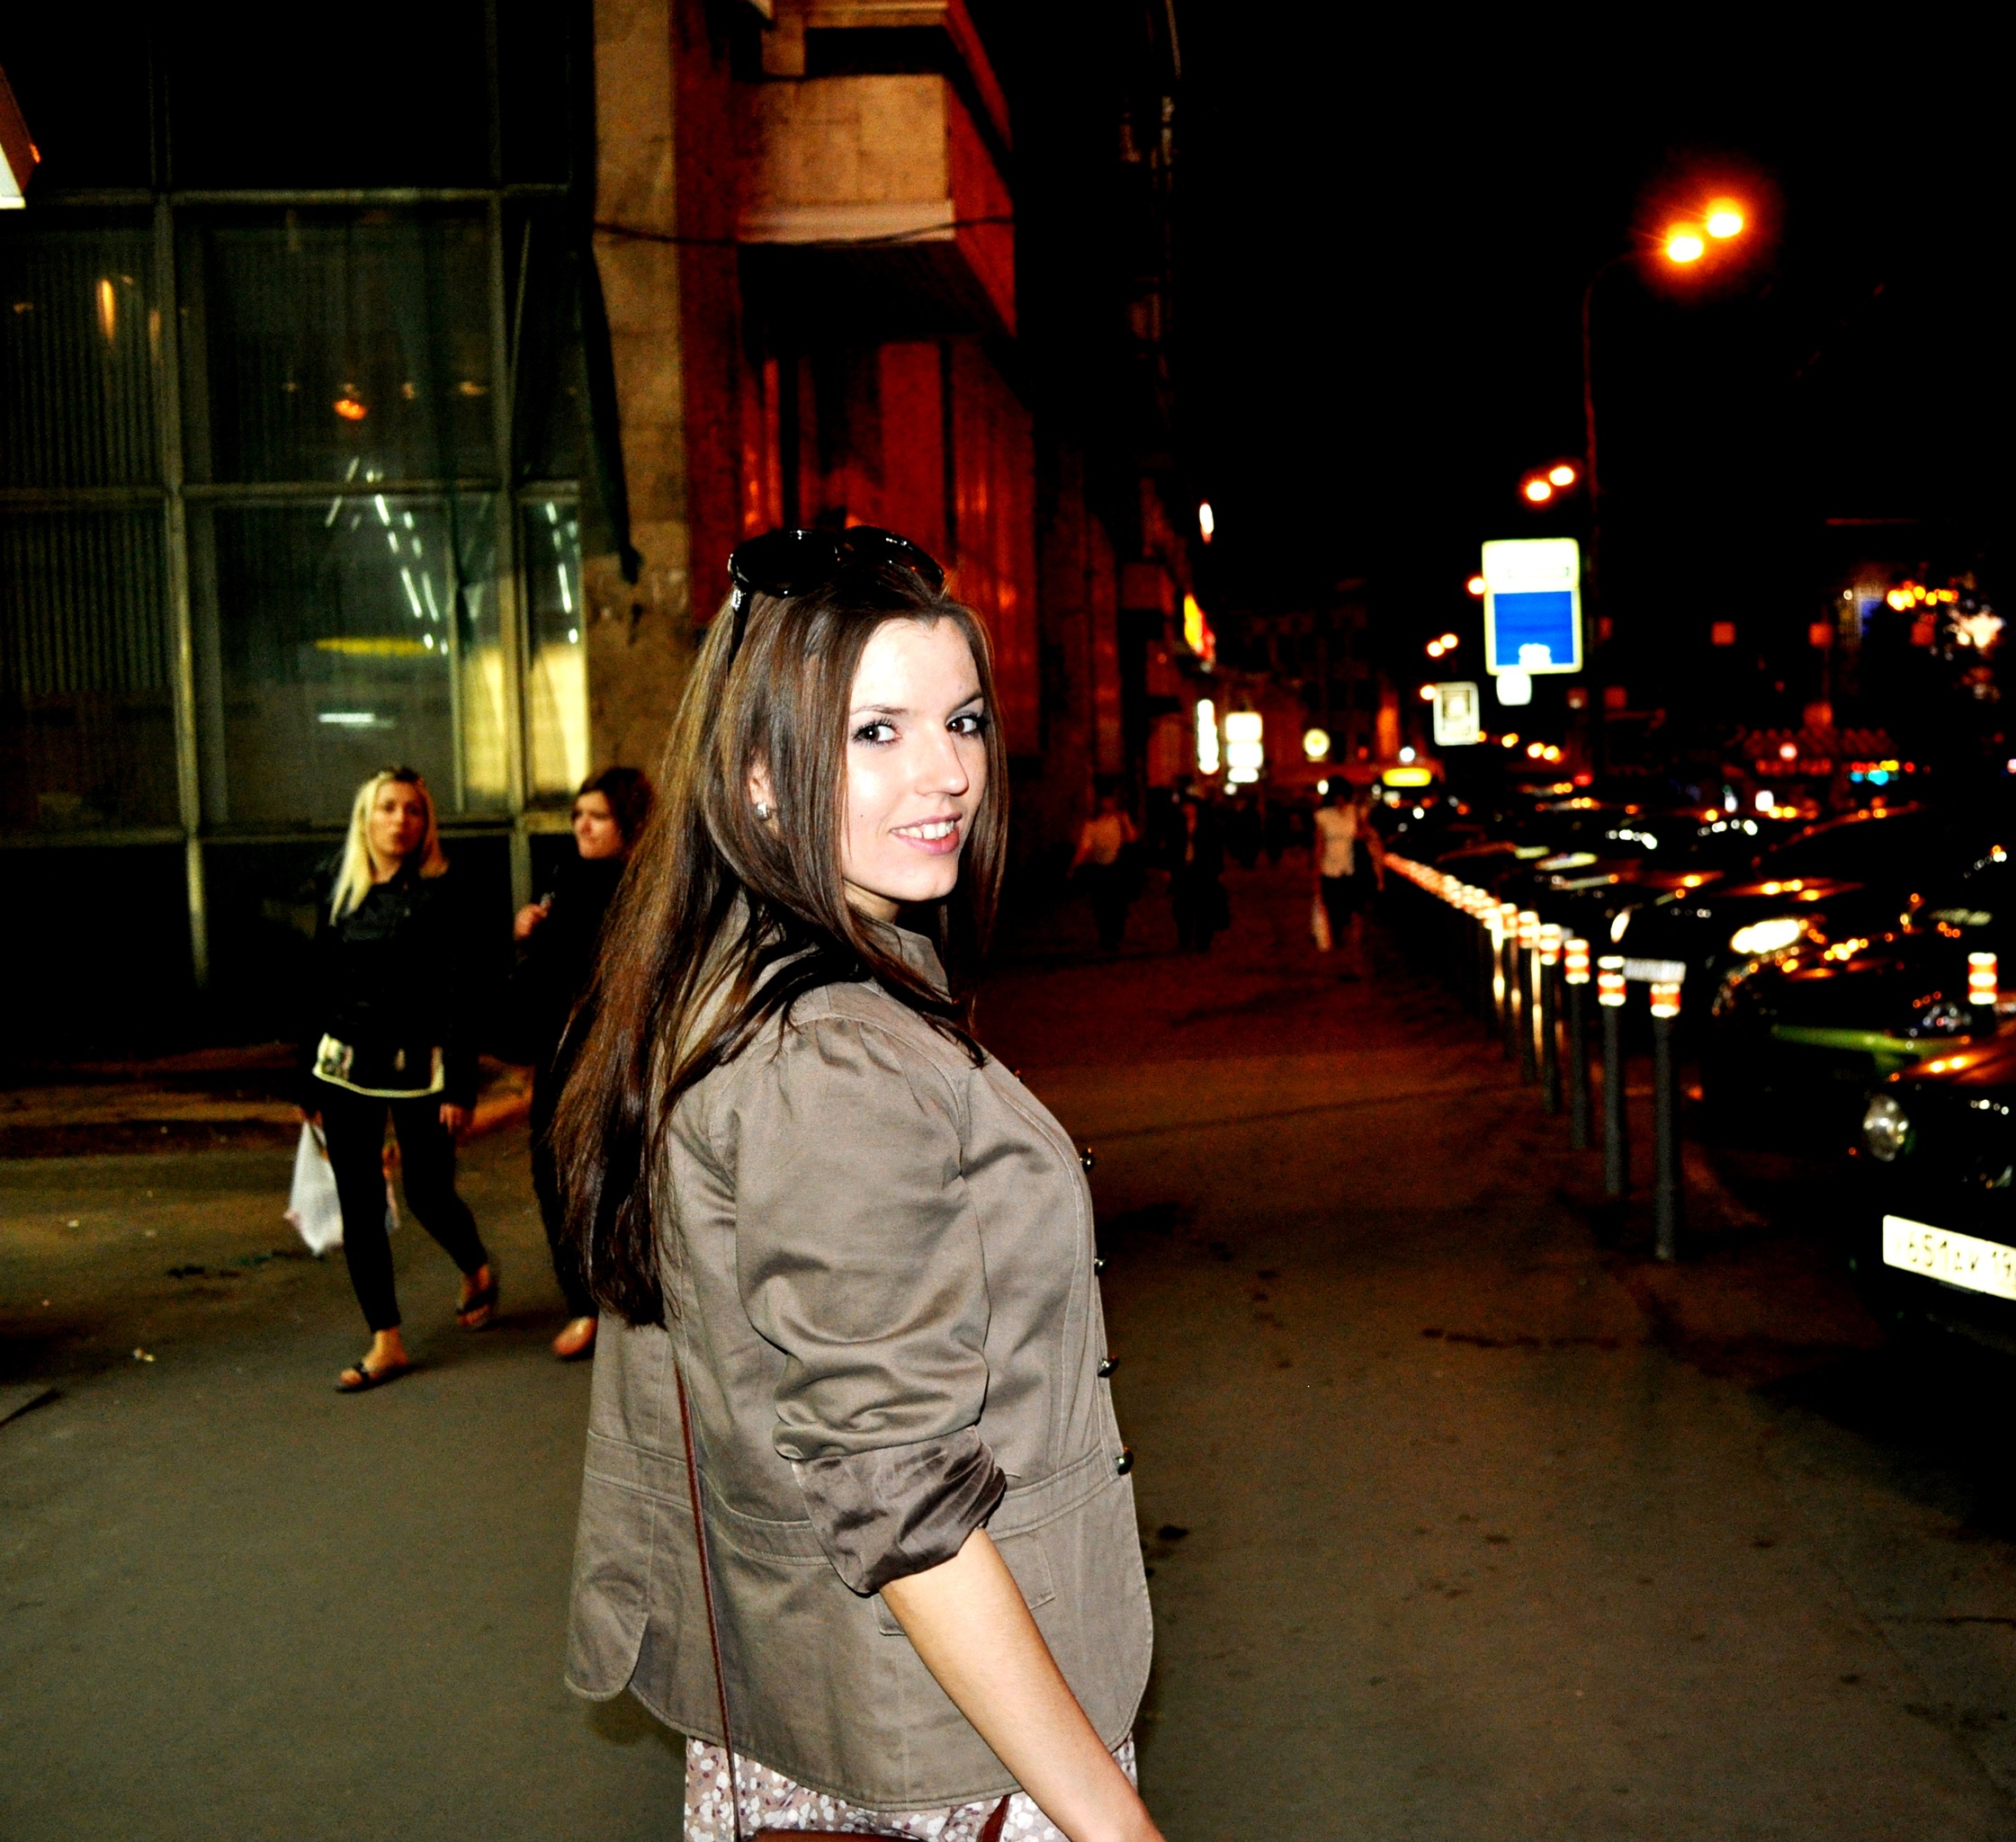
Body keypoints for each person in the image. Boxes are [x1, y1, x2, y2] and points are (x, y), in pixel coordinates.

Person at [553, 526, 1161, 1842]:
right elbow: (906, 1503)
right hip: (950, 1748)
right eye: (874, 732)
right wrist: (1115, 1827)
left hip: (828, 1705)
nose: (947, 774)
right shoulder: (828, 1056)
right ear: (760, 776)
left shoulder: (730, 974)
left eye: (962, 720)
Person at [301, 766, 494, 1392]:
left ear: (425, 823)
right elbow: (317, 981)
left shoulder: (446, 888)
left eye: (413, 810)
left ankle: (475, 1266)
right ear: (367, 816)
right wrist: (306, 1081)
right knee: (359, 1205)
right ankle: (386, 1340)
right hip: (344, 1064)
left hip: (421, 1066)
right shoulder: (338, 881)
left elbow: (461, 992)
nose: (400, 820)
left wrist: (460, 1085)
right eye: (388, 808)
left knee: (428, 1194)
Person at [511, 766, 656, 1362]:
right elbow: (548, 968)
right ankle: (581, 1300)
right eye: (577, 815)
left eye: (597, 816)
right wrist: (528, 930)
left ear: (629, 822)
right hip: (560, 1048)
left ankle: (625, 1294)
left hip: (617, 1053)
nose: (582, 827)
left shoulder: (644, 889)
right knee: (552, 1170)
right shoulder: (564, 877)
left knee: (619, 1174)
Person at [1313, 782, 1375, 978]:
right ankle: (1341, 958)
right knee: (1337, 917)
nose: (1339, 799)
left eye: (1342, 795)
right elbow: (1319, 846)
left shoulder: (1356, 812)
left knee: (1356, 915)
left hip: (1353, 871)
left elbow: (1367, 836)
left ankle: (1354, 958)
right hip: (1330, 872)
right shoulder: (1323, 816)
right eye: (1336, 795)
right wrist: (1316, 875)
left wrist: (1363, 832)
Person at [1069, 782, 1140, 952]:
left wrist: (1125, 823)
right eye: (1104, 801)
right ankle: (1105, 935)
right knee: (1100, 904)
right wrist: (1074, 865)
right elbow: (1085, 846)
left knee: (1118, 904)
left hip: (1117, 867)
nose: (1107, 804)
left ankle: (1115, 933)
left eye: (1110, 801)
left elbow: (1132, 838)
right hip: (1100, 868)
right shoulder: (1092, 824)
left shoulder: (1119, 819)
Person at [1166, 789, 1227, 952]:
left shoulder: (1209, 826)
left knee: (1204, 907)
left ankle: (1203, 940)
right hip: (1183, 871)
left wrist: (1218, 870)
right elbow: (1171, 850)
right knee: (1182, 907)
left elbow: (1216, 849)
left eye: (1191, 807)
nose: (1188, 810)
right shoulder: (1176, 826)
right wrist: (1169, 869)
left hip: (1203, 871)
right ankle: (1185, 937)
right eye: (1185, 807)